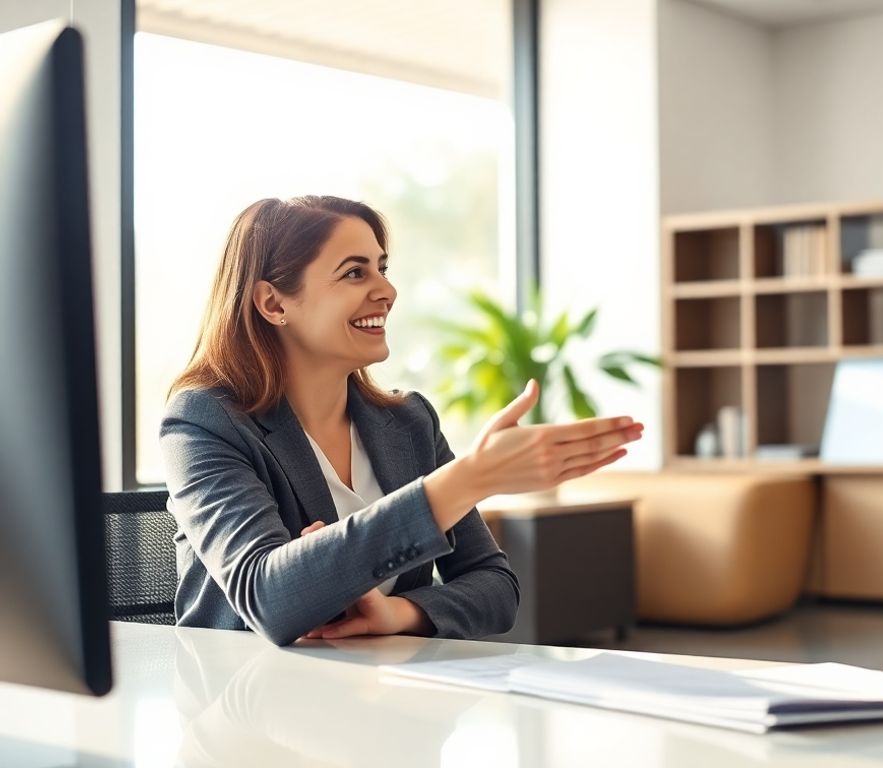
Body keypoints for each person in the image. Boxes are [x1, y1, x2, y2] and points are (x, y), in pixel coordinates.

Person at [162, 195, 644, 646]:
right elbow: (269, 597)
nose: (387, 290)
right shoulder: (204, 419)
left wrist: (400, 613)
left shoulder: (409, 421)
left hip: (386, 704)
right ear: (273, 303)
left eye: (382, 269)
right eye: (354, 273)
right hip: (246, 711)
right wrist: (468, 479)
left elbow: (497, 590)